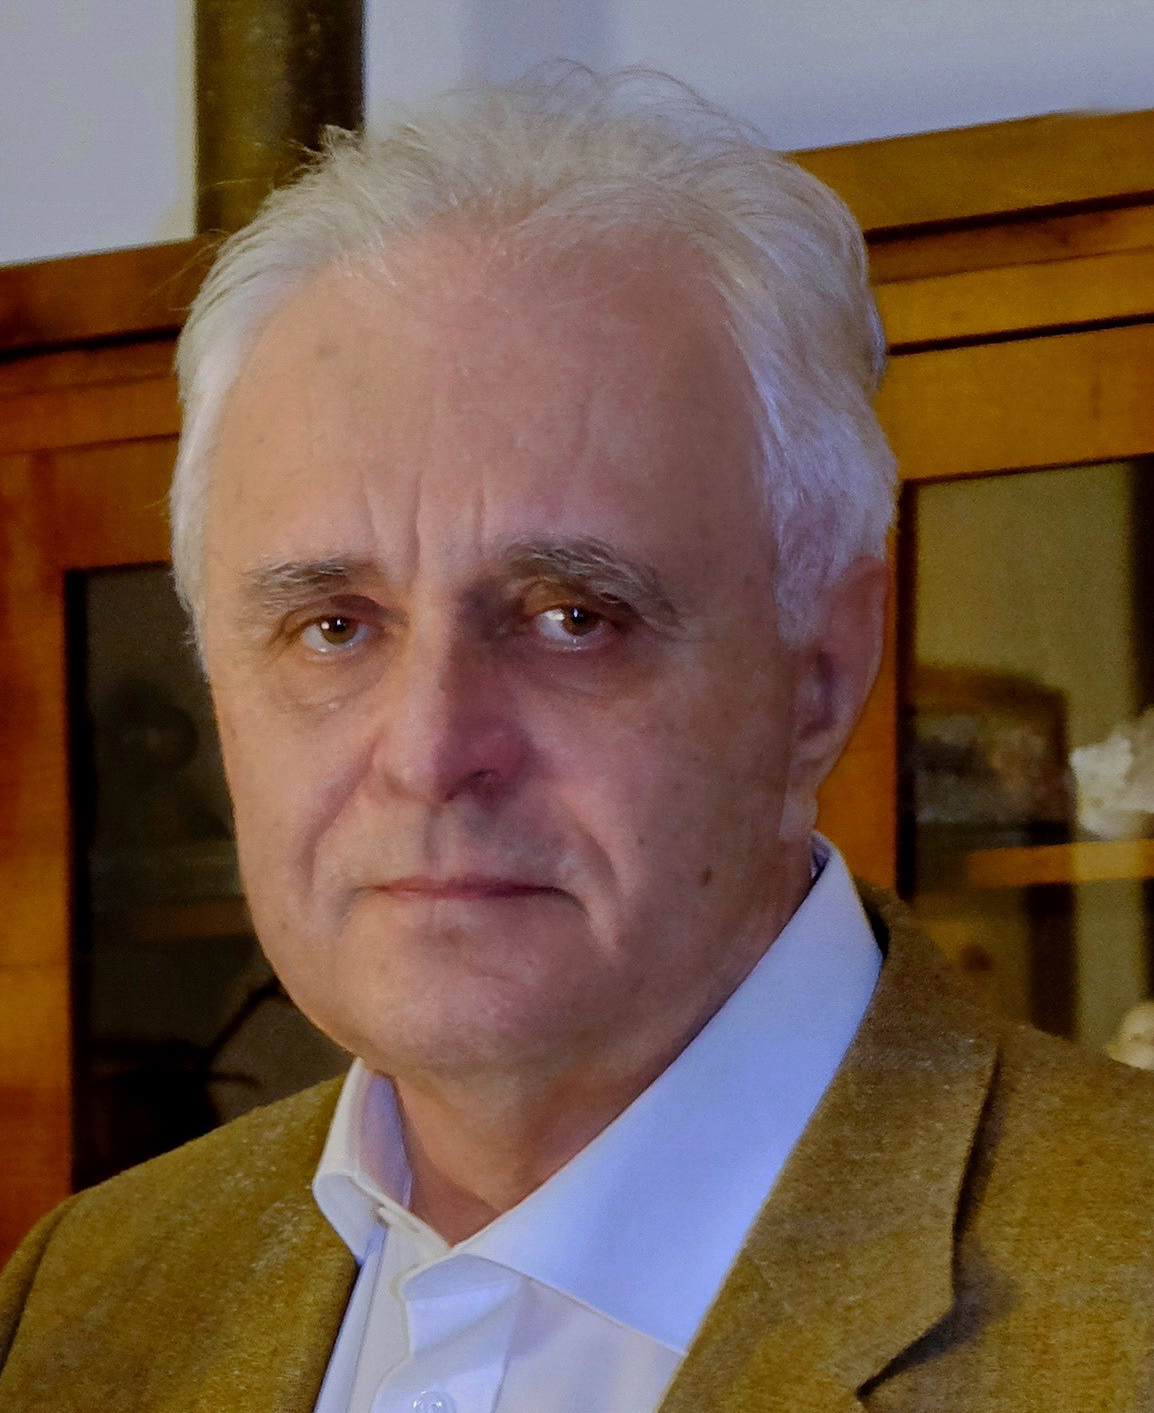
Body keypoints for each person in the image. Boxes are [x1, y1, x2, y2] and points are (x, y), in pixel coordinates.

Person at [3, 69, 1154, 1413]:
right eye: (332, 626)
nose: (429, 752)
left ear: (822, 675)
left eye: (571, 618)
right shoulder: (81, 1305)